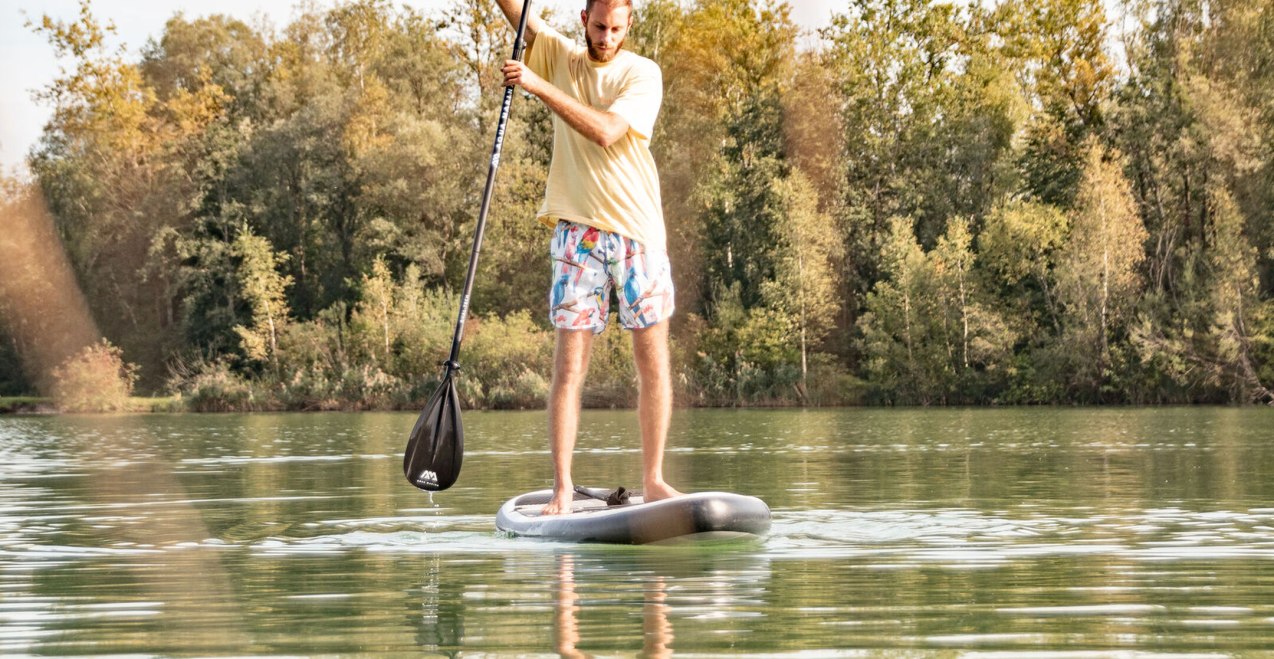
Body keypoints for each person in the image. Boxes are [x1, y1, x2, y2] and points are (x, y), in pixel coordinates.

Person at [494, 0, 681, 515]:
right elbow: (519, 13)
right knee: (570, 366)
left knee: (652, 359)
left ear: (629, 26)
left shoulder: (642, 73)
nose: (607, 37)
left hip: (638, 233)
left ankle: (655, 479)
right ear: (584, 19)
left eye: (617, 28)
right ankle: (562, 488)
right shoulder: (560, 54)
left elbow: (605, 130)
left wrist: (534, 84)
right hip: (578, 235)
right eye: (599, 26)